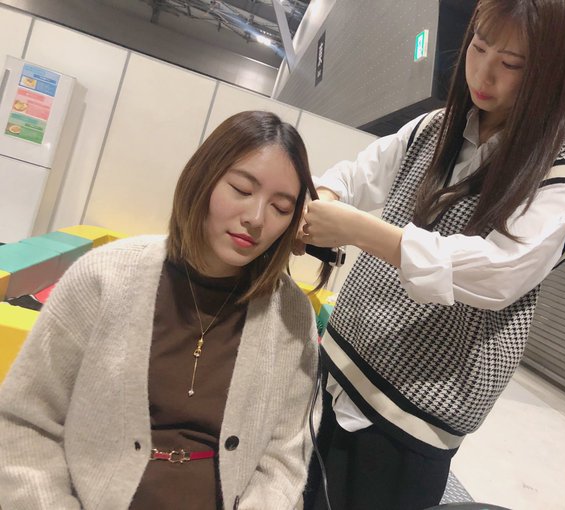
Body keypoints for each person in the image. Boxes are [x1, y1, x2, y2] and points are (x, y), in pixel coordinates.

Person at [299, 1, 565, 509]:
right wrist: (328, 197)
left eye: (511, 63)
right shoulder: (436, 127)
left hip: (414, 412)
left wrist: (363, 232)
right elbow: (357, 175)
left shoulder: (560, 173)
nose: (483, 74)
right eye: (478, 46)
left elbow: (497, 274)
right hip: (340, 363)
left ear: (553, 73)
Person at [0, 111, 330, 510]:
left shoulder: (291, 317)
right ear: (203, 177)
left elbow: (284, 461)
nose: (256, 218)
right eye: (242, 189)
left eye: (280, 208)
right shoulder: (104, 277)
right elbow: (24, 422)